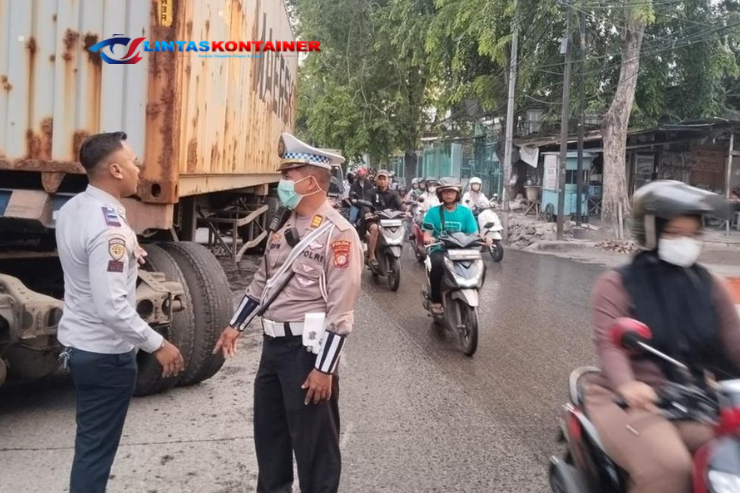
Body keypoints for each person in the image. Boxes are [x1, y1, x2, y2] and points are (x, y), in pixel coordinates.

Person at [214, 132, 363, 493]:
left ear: (312, 180)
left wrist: (324, 369)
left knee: (315, 453)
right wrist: (235, 326)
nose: (282, 183)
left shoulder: (339, 235)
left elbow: (341, 311)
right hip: (273, 350)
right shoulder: (281, 227)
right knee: (270, 441)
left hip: (307, 352)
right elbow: (262, 284)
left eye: (289, 175)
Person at [585, 180, 740, 493]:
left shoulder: (709, 284)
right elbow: (610, 345)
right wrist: (628, 385)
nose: (685, 241)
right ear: (651, 233)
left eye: (692, 233)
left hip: (695, 399)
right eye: (674, 233)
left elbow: (734, 338)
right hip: (633, 401)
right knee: (670, 470)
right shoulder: (616, 283)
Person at [55, 132, 185, 493]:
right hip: (106, 355)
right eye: (132, 162)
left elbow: (87, 264)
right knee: (95, 454)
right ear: (114, 169)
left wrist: (129, 248)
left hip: (81, 346)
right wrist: (157, 344)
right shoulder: (108, 228)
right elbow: (112, 306)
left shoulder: (74, 210)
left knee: (90, 447)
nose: (138, 169)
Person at [421, 177, 479, 315]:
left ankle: (473, 293)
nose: (448, 194)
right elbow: (427, 234)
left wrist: (485, 238)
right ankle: (436, 301)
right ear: (440, 194)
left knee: (480, 266)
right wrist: (428, 239)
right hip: (440, 249)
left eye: (451, 192)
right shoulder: (433, 212)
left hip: (462, 250)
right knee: (436, 264)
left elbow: (474, 233)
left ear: (457, 194)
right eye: (445, 192)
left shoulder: (465, 212)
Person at [366, 169, 404, 269]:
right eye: (380, 179)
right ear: (376, 180)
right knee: (374, 229)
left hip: (390, 221)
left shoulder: (394, 193)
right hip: (375, 220)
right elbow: (366, 205)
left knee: (401, 228)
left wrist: (404, 212)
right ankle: (372, 256)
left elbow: (400, 206)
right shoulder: (371, 192)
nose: (382, 181)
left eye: (384, 179)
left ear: (388, 181)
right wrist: (368, 213)